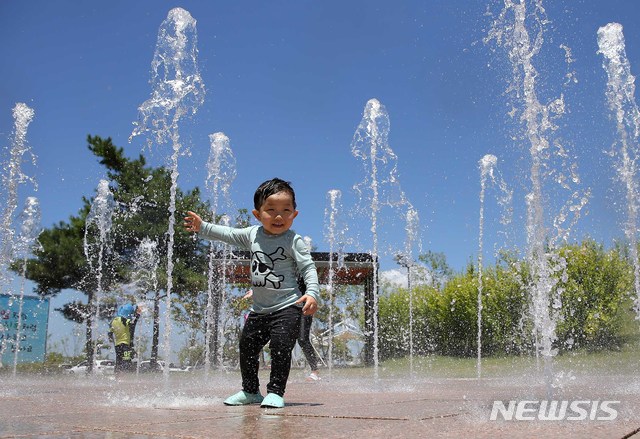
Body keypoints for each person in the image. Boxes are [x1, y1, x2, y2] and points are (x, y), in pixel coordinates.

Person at [184, 178, 320, 408]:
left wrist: (313, 293)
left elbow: (308, 267)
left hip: (288, 306)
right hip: (259, 310)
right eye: (271, 210)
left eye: (285, 211)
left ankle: (275, 392)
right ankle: (250, 391)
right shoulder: (252, 235)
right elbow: (228, 233)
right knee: (247, 346)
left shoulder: (293, 240)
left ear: (294, 214)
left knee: (280, 346)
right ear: (257, 214)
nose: (279, 216)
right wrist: (203, 227)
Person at [108, 303, 140, 375]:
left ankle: (117, 377)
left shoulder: (113, 321)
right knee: (127, 361)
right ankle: (125, 378)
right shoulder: (124, 320)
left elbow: (110, 333)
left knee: (118, 361)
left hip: (117, 345)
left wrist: (112, 340)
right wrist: (137, 314)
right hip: (125, 345)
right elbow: (133, 323)